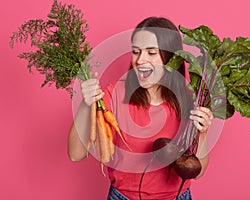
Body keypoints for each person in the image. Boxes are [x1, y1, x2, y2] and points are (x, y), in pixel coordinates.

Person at [68, 17, 213, 200]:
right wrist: (85, 104)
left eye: (151, 52)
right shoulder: (115, 94)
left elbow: (198, 172)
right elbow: (75, 154)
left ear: (171, 58)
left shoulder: (189, 99)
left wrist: (203, 132)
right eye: (136, 52)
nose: (140, 60)